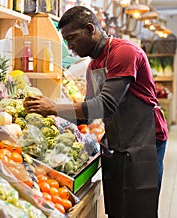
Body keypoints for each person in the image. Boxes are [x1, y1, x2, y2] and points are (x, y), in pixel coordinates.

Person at [23, 6, 169, 218]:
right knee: (118, 207)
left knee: (139, 208)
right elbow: (89, 113)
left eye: (71, 37)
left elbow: (106, 104)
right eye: (65, 40)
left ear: (90, 29)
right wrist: (55, 124)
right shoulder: (93, 66)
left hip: (145, 141)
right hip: (117, 140)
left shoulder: (125, 52)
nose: (69, 46)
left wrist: (53, 107)